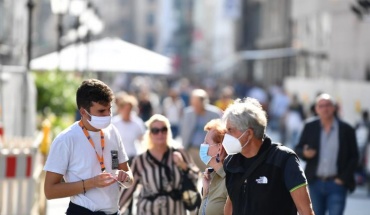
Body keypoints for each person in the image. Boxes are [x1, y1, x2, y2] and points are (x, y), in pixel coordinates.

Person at [43, 79, 134, 215]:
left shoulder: (113, 131)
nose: (107, 115)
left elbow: (129, 178)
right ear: (84, 112)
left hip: (114, 212)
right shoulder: (66, 139)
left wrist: (125, 178)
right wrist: (91, 183)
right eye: (101, 111)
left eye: (109, 109)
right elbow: (49, 191)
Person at [222, 98, 314, 215]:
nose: (226, 136)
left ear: (249, 133)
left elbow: (305, 210)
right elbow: (230, 204)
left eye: (230, 130)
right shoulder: (231, 163)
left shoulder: (284, 159)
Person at [119, 114, 199, 215]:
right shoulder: (141, 160)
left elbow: (196, 176)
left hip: (175, 210)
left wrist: (183, 165)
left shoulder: (179, 153)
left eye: (164, 129)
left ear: (168, 131)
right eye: (155, 131)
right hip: (148, 210)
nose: (160, 133)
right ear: (150, 134)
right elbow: (129, 189)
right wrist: (116, 210)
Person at [295, 93, 359, 215]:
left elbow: (354, 157)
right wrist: (304, 153)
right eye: (321, 105)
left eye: (328, 105)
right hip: (315, 183)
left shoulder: (346, 129)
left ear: (334, 108)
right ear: (316, 109)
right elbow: (298, 148)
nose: (325, 108)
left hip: (337, 184)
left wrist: (343, 179)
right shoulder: (310, 126)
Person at [180, 89, 222, 171]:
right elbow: (184, 132)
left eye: (197, 104)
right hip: (192, 149)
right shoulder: (188, 113)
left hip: (209, 151)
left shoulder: (214, 113)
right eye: (193, 104)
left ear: (204, 102)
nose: (195, 107)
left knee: (209, 173)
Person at [198, 119, 228, 215]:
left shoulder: (229, 180)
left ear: (219, 148)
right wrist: (206, 192)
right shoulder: (211, 176)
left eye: (206, 143)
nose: (202, 145)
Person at [112, 93, 145, 164]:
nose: (127, 111)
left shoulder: (137, 122)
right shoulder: (114, 122)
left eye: (129, 109)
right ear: (120, 109)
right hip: (116, 157)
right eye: (125, 109)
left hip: (132, 156)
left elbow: (142, 140)